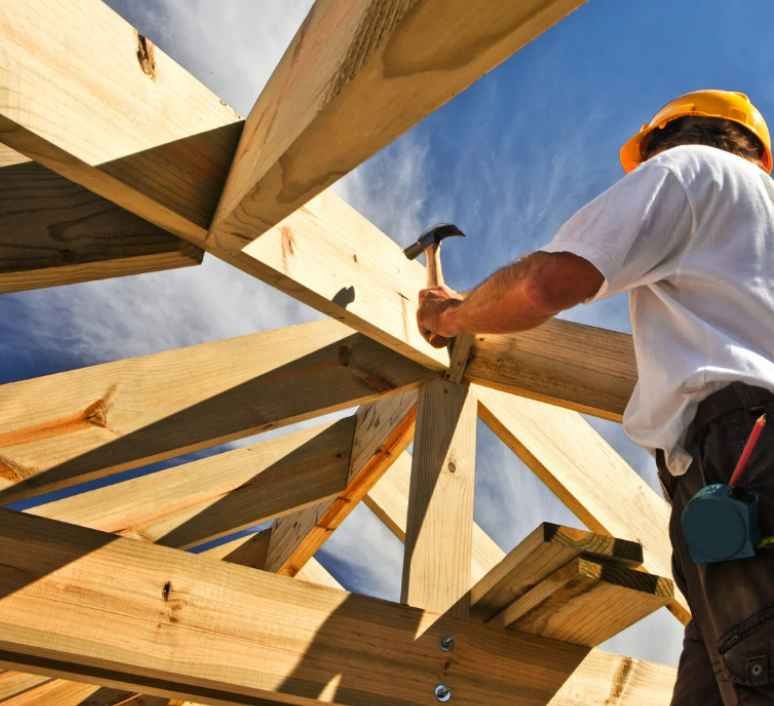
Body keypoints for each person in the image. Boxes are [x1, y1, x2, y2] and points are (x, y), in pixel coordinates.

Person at [416, 89, 774, 706]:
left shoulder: (692, 170)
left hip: (746, 454)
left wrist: (451, 317)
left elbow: (546, 283)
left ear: (666, 138)